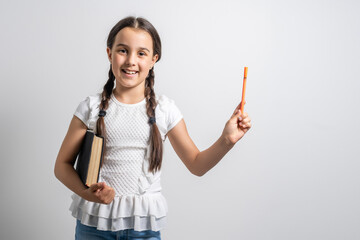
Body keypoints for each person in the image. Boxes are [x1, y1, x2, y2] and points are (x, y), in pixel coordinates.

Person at [54, 16, 252, 240]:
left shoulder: (165, 110)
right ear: (109, 53)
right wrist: (87, 195)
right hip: (94, 227)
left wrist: (226, 141)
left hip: (143, 228)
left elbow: (196, 165)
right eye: (122, 50)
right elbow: (62, 165)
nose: (131, 61)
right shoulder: (90, 107)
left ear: (153, 59)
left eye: (141, 53)